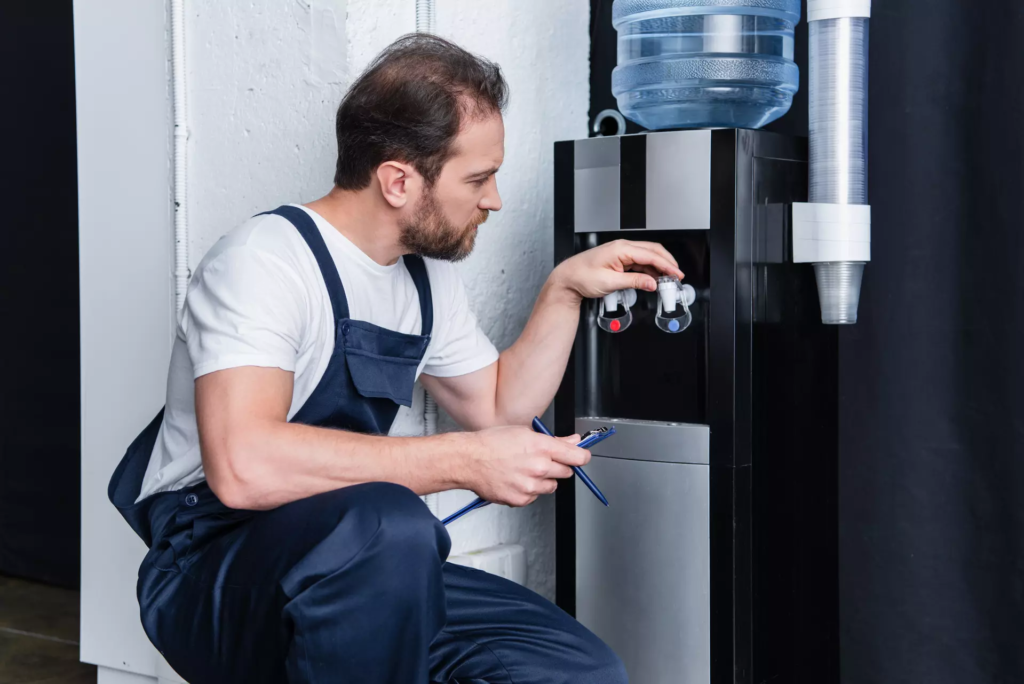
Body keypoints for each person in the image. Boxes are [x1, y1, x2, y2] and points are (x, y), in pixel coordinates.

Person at [109, 34, 683, 684]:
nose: (493, 199)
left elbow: (498, 405)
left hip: (364, 563)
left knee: (575, 669)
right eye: (478, 178)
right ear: (398, 179)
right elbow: (243, 467)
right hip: (212, 567)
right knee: (393, 523)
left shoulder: (422, 280)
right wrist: (463, 462)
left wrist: (564, 290)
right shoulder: (264, 261)